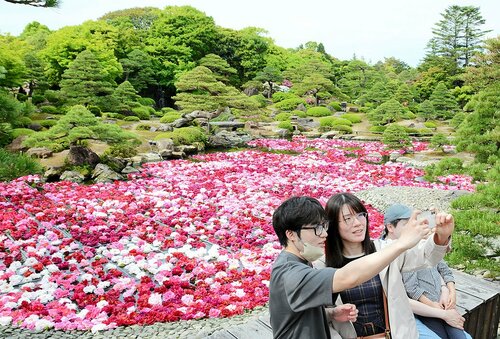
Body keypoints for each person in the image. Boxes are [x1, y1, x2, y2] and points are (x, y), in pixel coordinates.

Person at [269, 196, 434, 339]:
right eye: (317, 229)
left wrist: (332, 313)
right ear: (290, 234)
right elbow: (348, 277)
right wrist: (401, 243)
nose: (324, 234)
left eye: (324, 227)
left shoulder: (302, 264)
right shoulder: (290, 273)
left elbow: (301, 316)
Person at [318, 193, 454, 339]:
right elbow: (319, 317)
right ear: (332, 225)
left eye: (360, 215)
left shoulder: (385, 250)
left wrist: (442, 237)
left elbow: (425, 256)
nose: (357, 223)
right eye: (348, 219)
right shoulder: (323, 266)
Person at [383, 204, 472, 339]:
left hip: (435, 304)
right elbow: (405, 294)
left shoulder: (412, 244)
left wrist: (446, 290)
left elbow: (435, 263)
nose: (414, 228)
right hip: (412, 314)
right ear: (390, 227)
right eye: (407, 224)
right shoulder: (386, 254)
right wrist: (441, 311)